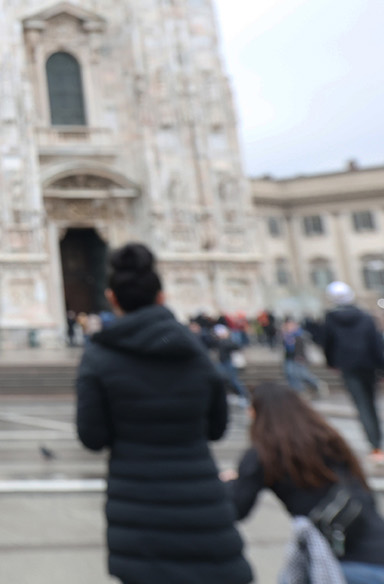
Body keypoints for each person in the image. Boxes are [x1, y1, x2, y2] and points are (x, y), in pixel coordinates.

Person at [75, 242, 252, 583]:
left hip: (138, 514)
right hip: (203, 509)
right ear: (162, 296)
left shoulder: (99, 357)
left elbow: (92, 436)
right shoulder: (195, 351)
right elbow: (217, 428)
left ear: (112, 298)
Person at [226, 382, 384, 583]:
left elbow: (237, 508)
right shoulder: (328, 440)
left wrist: (231, 483)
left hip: (350, 566)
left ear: (258, 412)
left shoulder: (263, 454)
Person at [322, 281, 384, 465]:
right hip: (368, 365)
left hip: (348, 367)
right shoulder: (365, 316)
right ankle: (378, 442)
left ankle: (375, 446)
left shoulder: (331, 318)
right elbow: (376, 344)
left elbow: (327, 343)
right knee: (371, 404)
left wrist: (331, 363)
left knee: (362, 406)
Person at [283, 318, 327, 398]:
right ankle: (297, 391)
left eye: (290, 325)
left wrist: (301, 356)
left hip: (299, 357)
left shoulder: (300, 334)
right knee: (290, 374)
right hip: (289, 357)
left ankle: (317, 384)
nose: (288, 327)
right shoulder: (287, 335)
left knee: (303, 374)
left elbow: (303, 347)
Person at [211, 323, 250, 405]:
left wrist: (225, 338)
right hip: (224, 362)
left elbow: (236, 347)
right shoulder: (220, 341)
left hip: (228, 362)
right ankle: (235, 395)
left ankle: (243, 395)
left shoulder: (227, 341)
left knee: (233, 380)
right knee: (227, 380)